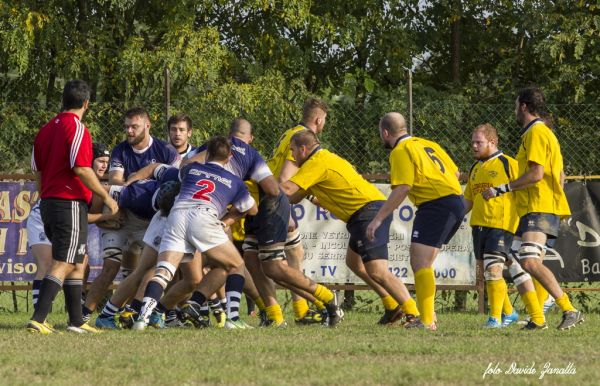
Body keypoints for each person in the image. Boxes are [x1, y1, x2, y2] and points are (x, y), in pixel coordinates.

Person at [281, 129, 420, 326]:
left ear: (303, 149)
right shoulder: (323, 160)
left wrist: (261, 185)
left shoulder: (316, 162)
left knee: (378, 270)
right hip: (363, 212)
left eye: (293, 151)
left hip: (367, 211)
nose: (292, 156)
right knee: (354, 263)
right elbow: (294, 196)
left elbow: (286, 190)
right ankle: (391, 305)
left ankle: (413, 314)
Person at [483, 87, 583, 330]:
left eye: (516, 104)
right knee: (515, 257)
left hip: (539, 206)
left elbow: (537, 174)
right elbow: (559, 174)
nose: (515, 109)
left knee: (528, 261)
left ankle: (568, 309)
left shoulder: (536, 132)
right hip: (535, 206)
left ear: (524, 106)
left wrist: (501, 189)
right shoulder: (539, 132)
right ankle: (538, 317)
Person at [132, 136, 258, 330]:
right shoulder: (234, 180)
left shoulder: (190, 169)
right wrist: (229, 219)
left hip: (177, 215)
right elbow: (252, 209)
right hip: (204, 217)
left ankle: (142, 319)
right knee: (237, 264)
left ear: (206, 154)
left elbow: (185, 167)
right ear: (230, 157)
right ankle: (233, 319)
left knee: (164, 272)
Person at [28, 80, 118, 334]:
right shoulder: (77, 128)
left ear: (63, 100)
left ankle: (76, 321)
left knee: (78, 261)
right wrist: (107, 197)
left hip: (49, 201)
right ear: (86, 103)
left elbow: (38, 170)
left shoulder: (45, 130)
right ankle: (38, 318)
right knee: (64, 261)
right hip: (68, 202)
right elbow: (81, 168)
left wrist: (44, 195)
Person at [366, 112, 464, 331]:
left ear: (385, 132)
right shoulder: (428, 144)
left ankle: (427, 321)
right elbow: (456, 173)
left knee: (419, 262)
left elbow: (403, 188)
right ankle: (429, 317)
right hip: (454, 201)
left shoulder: (400, 150)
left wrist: (378, 219)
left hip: (436, 204)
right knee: (422, 262)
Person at [464, 124, 544, 328]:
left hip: (502, 224)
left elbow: (529, 183)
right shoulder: (476, 168)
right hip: (479, 226)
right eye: (472, 142)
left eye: (478, 142)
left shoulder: (508, 163)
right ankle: (517, 313)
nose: (473, 146)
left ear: (492, 142)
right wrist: (451, 219)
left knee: (493, 269)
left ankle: (495, 318)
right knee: (508, 269)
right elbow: (469, 200)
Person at [27, 142, 113, 310]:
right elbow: (82, 216)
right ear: (90, 161)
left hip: (67, 220)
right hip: (41, 218)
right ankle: (40, 313)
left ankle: (75, 310)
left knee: (82, 264)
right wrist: (108, 216)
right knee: (46, 264)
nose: (104, 165)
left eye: (106, 162)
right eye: (100, 161)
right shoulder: (80, 178)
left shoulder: (94, 182)